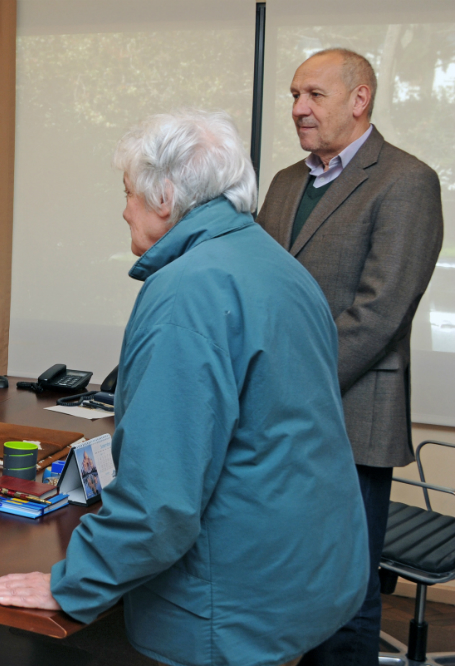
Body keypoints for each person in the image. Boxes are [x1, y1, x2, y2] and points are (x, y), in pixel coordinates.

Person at [0, 109, 369, 666]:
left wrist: (73, 583)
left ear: (165, 197)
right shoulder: (278, 265)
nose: (123, 209)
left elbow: (160, 498)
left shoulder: (188, 290)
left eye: (128, 193)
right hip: (304, 575)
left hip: (229, 602)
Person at [256, 48, 444, 665]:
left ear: (359, 99)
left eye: (314, 95)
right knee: (288, 585)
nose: (298, 109)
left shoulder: (406, 181)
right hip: (275, 420)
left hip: (349, 418)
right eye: (293, 96)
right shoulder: (286, 182)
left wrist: (287, 387)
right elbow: (257, 286)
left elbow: (379, 313)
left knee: (346, 600)